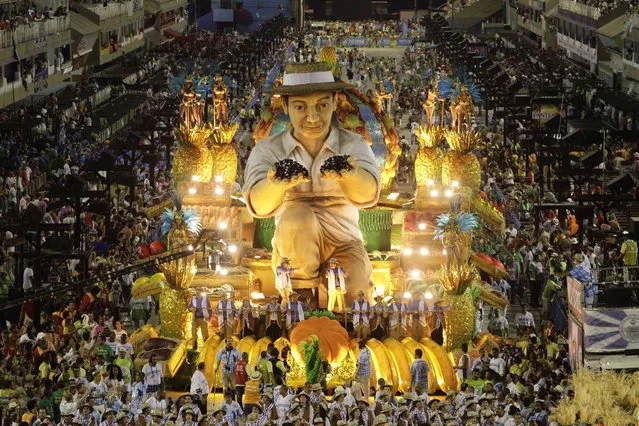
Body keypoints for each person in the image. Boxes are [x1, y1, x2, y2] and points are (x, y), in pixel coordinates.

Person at [242, 62, 381, 306]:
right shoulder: (268, 149)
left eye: (322, 105)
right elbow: (259, 206)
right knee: (298, 216)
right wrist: (276, 184)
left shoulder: (354, 145)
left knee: (354, 298)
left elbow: (368, 195)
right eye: (300, 107)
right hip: (294, 246)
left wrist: (350, 174)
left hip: (344, 241)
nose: (313, 117)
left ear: (336, 102)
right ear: (285, 106)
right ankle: (300, 299)